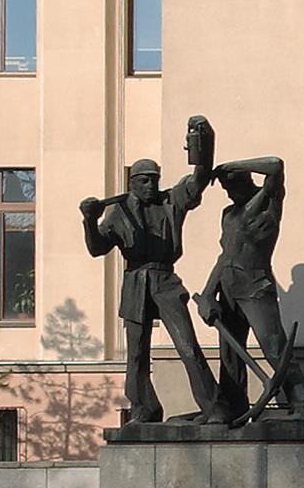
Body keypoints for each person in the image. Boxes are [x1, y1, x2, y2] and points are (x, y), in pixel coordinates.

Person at [80, 125, 222, 426]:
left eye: (154, 179)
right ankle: (143, 409)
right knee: (136, 354)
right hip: (135, 283)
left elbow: (199, 178)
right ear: (132, 183)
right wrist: (89, 220)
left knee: (187, 346)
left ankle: (214, 407)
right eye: (144, 180)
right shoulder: (118, 212)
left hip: (165, 280)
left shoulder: (171, 201)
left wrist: (201, 141)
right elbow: (97, 249)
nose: (150, 185)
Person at [199, 152, 304, 423]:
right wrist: (207, 293)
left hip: (255, 287)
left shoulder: (268, 203)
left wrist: (231, 165)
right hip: (228, 288)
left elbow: (276, 165)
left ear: (247, 179)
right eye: (225, 188)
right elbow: (225, 255)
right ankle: (234, 406)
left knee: (274, 347)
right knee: (230, 355)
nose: (229, 193)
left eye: (232, 185)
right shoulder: (229, 214)